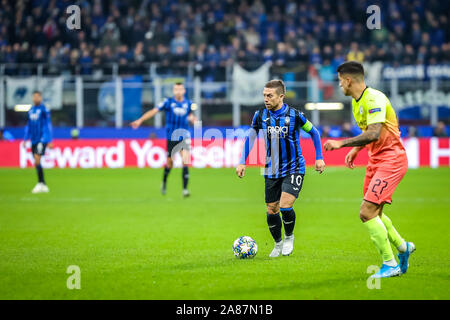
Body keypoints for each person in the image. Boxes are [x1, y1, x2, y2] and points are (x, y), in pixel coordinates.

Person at [323, 61, 415, 278]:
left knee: (366, 212)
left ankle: (390, 264)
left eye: (339, 81)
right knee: (377, 213)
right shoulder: (357, 102)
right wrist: (356, 150)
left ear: (348, 80)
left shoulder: (374, 98)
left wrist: (342, 143)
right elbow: (370, 131)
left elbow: (374, 133)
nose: (339, 86)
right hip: (375, 160)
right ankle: (403, 248)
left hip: (391, 160)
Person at [236, 80, 325, 258]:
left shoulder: (295, 115)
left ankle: (289, 236)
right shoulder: (260, 115)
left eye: (270, 95)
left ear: (281, 96)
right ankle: (277, 244)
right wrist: (242, 161)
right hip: (271, 170)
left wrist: (319, 157)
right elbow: (251, 137)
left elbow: (314, 132)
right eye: (264, 95)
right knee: (271, 209)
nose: (266, 99)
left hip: (294, 167)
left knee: (285, 205)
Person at [131, 83, 197, 197]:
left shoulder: (189, 104)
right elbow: (154, 111)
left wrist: (194, 120)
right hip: (171, 137)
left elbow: (190, 116)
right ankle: (164, 182)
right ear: (173, 90)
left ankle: (185, 189)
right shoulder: (168, 102)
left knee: (185, 161)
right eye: (176, 89)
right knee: (170, 163)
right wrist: (140, 120)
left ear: (184, 91)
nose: (178, 91)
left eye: (180, 89)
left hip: (184, 137)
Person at [22, 91, 53, 193]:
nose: (35, 98)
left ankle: (40, 183)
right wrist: (25, 139)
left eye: (37, 97)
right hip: (33, 140)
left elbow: (48, 125)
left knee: (37, 160)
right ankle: (43, 184)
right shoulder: (31, 110)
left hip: (42, 139)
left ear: (40, 98)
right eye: (34, 97)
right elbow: (28, 126)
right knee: (36, 162)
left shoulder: (44, 110)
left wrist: (49, 140)